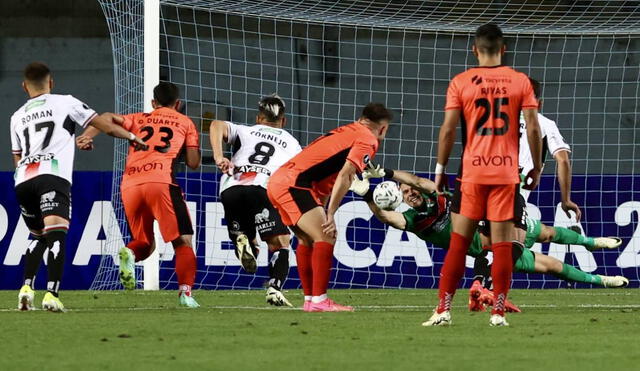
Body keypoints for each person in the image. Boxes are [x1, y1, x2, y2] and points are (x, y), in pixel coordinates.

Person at [350, 167, 628, 312]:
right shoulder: (413, 220)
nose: (409, 193)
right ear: (401, 200)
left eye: (409, 189)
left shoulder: (437, 195)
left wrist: (387, 173)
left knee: (546, 232)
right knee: (552, 265)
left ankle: (592, 242)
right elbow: (389, 219)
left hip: (499, 226)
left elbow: (422, 182)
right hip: (491, 250)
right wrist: (366, 196)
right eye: (404, 193)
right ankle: (602, 280)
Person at [429, 23, 543, 326]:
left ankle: (443, 310)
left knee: (459, 241)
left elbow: (449, 130)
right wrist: (536, 167)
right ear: (503, 49)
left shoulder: (462, 82)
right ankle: (498, 313)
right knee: (503, 245)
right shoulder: (520, 81)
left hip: (471, 172)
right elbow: (533, 127)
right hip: (506, 173)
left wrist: (439, 170)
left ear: (475, 49)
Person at [11, 62, 147, 312]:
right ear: (51, 83)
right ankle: (51, 294)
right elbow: (103, 124)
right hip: (52, 176)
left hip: (23, 180)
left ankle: (26, 288)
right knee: (56, 235)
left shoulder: (17, 116)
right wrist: (132, 137)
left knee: (37, 235)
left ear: (23, 86)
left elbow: (17, 155)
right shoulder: (65, 102)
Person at [77, 82, 201, 308]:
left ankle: (129, 253)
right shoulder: (186, 122)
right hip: (161, 183)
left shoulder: (139, 118)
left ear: (153, 103)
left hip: (131, 185)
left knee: (144, 242)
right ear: (179, 104)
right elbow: (193, 163)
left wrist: (87, 136)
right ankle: (185, 293)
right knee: (183, 242)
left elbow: (105, 117)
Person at [267, 103, 391, 312]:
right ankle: (320, 300)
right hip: (295, 184)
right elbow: (346, 175)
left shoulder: (346, 131)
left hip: (279, 182)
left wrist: (325, 210)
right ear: (383, 128)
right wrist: (331, 214)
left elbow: (326, 182)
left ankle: (310, 300)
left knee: (307, 239)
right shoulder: (368, 139)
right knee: (326, 236)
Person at [209, 94, 301, 306]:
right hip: (262, 189)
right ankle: (274, 288)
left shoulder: (244, 130)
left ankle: (245, 241)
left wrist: (218, 156)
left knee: (249, 243)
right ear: (283, 121)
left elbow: (215, 124)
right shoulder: (292, 142)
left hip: (231, 189)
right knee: (280, 244)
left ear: (259, 118)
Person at [519, 78, 580, 220]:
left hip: (485, 190)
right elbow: (563, 161)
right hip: (516, 193)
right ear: (539, 103)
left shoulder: (497, 121)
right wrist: (566, 200)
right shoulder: (546, 124)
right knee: (515, 238)